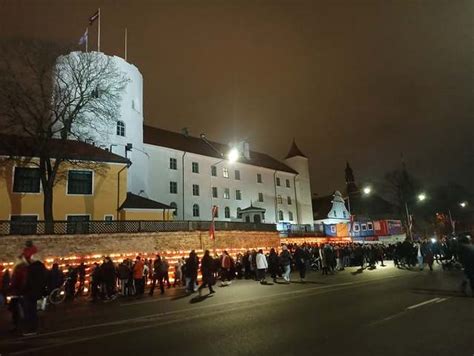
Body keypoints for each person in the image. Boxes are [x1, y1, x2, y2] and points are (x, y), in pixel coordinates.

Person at [23, 254, 47, 336]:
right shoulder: (43, 268)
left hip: (31, 293)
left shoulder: (30, 269)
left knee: (31, 311)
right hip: (41, 293)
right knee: (40, 310)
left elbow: (28, 282)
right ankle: (41, 327)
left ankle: (32, 329)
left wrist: (24, 290)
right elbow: (46, 279)